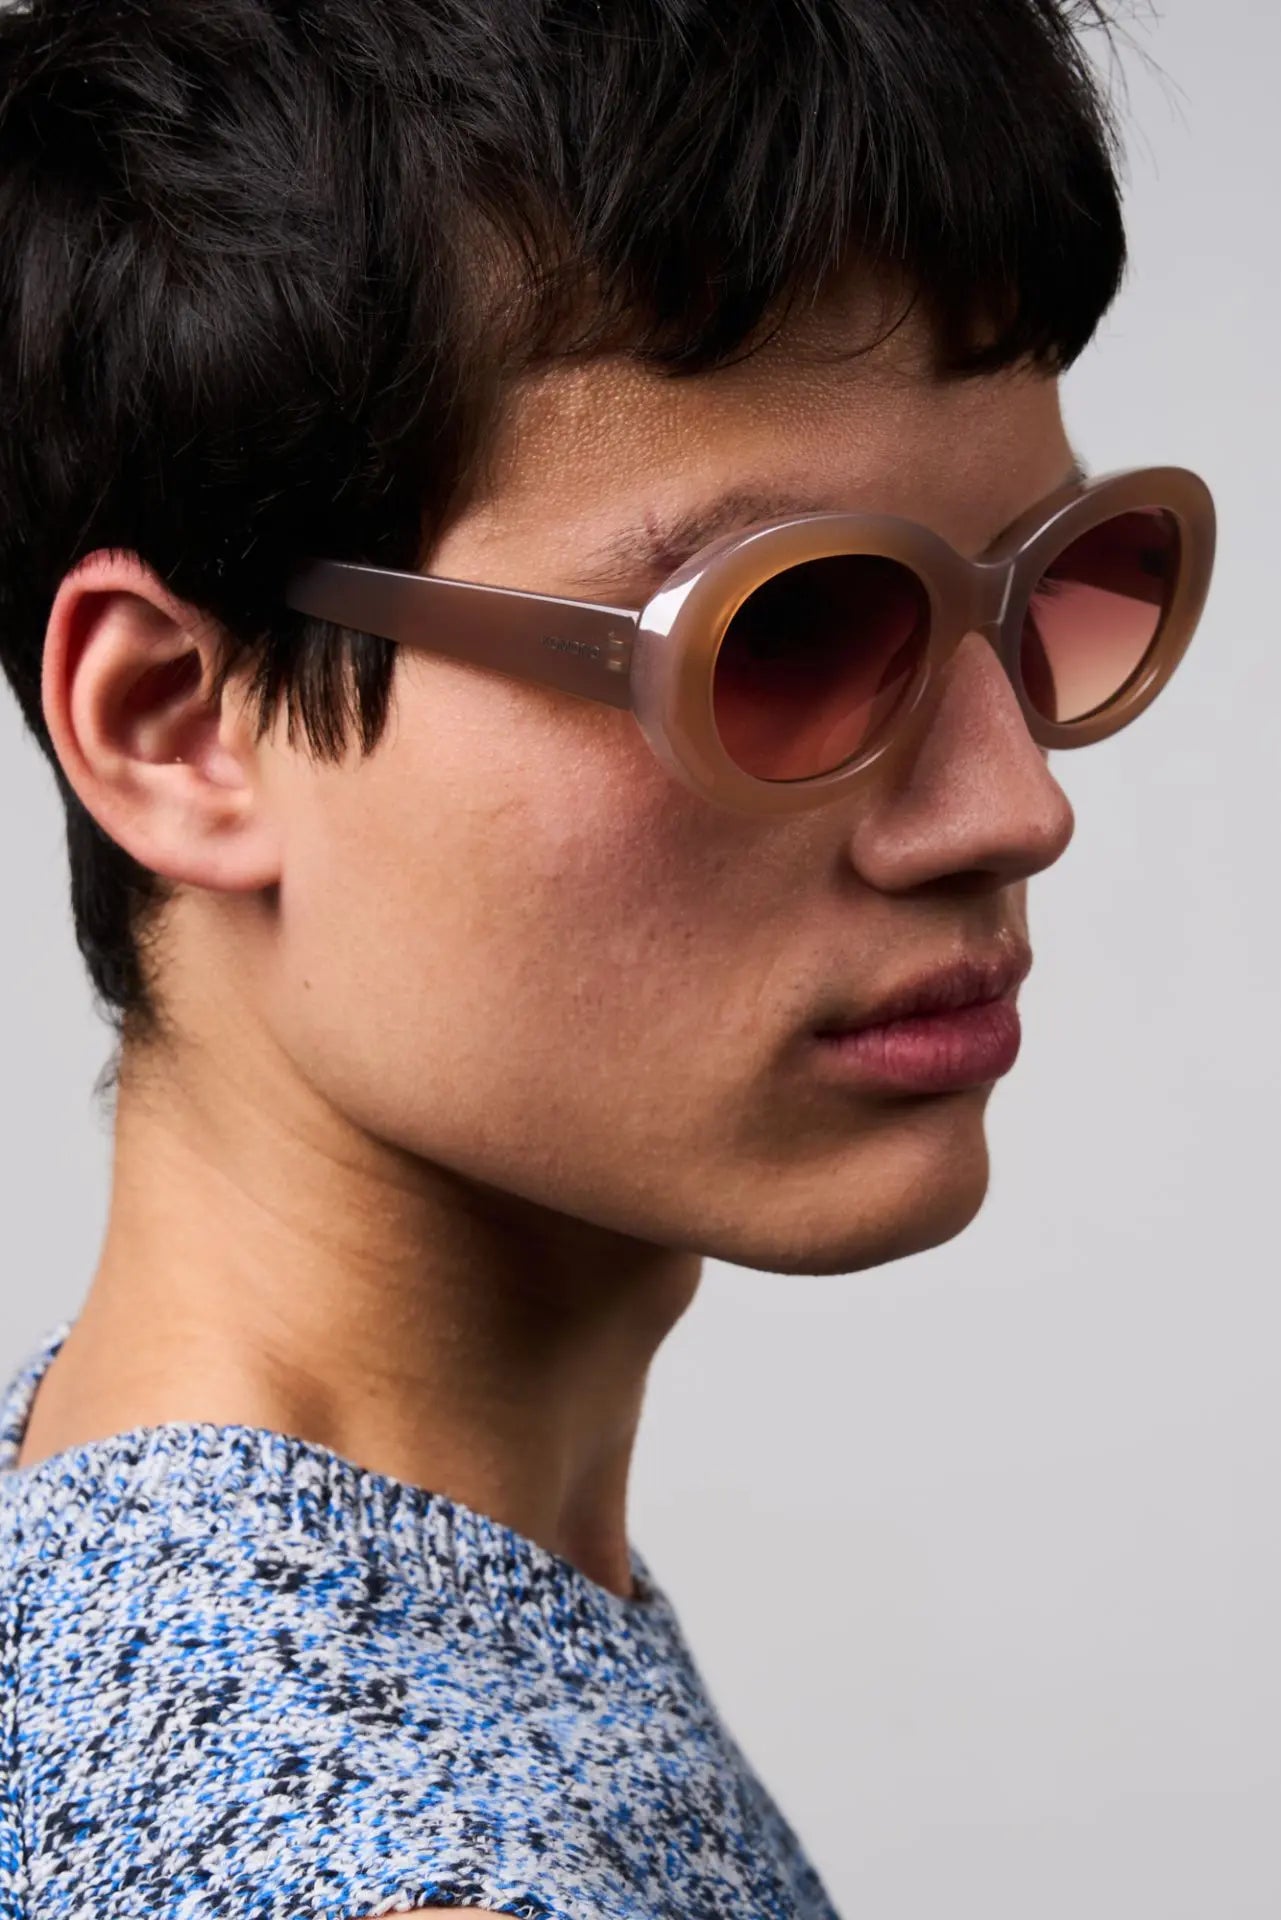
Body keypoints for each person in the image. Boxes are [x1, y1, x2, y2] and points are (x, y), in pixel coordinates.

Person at [0, 1, 1215, 1916]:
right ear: (179, 727)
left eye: (1056, 581)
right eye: (786, 629)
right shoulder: (387, 1861)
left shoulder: (130, 1551)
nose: (1009, 808)